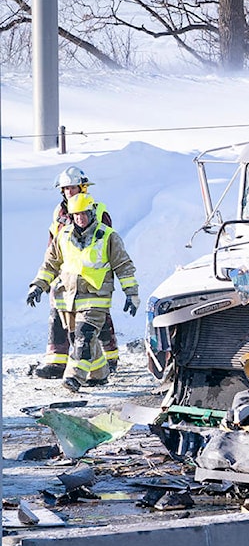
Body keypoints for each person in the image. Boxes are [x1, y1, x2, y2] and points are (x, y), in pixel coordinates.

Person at [27, 192, 140, 392]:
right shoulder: (64, 236)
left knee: (83, 337)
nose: (80, 218)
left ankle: (74, 377)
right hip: (68, 298)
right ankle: (99, 373)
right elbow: (50, 264)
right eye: (76, 215)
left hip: (96, 297)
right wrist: (38, 286)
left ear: (92, 213)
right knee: (82, 339)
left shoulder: (107, 236)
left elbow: (123, 265)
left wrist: (131, 294)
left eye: (84, 214)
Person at [34, 166, 123, 379]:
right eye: (65, 189)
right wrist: (46, 277)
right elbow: (53, 243)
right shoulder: (60, 212)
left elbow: (106, 244)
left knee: (95, 321)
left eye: (72, 188)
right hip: (66, 275)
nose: (68, 192)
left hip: (93, 278)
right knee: (59, 315)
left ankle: (109, 358)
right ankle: (57, 361)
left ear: (82, 187)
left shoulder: (97, 209)